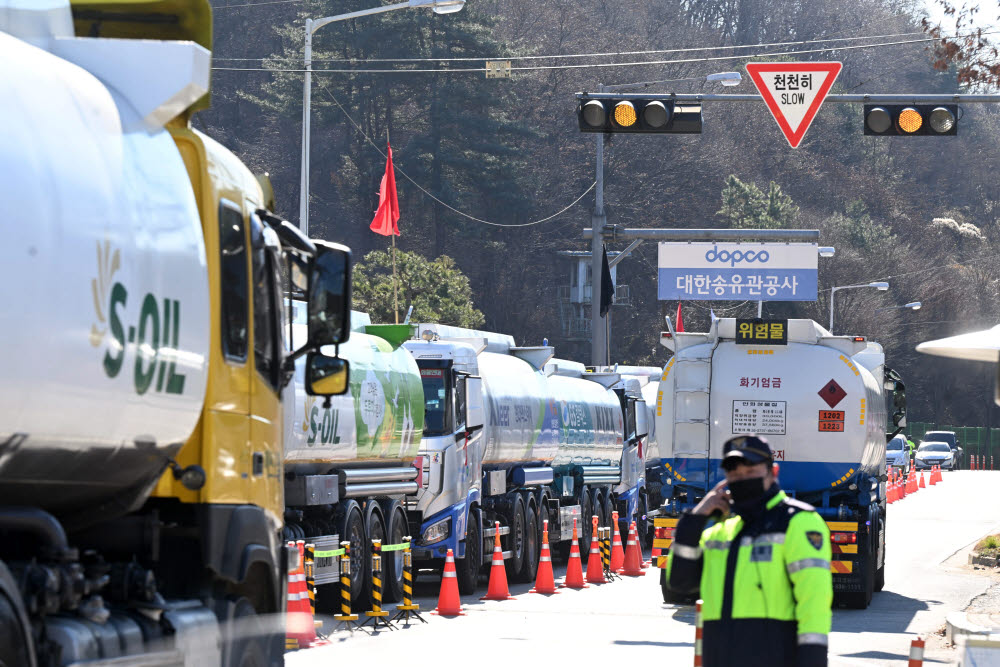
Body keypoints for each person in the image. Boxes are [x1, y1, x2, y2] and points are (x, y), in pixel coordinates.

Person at [666, 435, 832, 667]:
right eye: (734, 474)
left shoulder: (798, 522)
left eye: (750, 470)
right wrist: (696, 518)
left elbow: (813, 603)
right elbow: (679, 583)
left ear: (772, 472)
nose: (741, 478)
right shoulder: (721, 530)